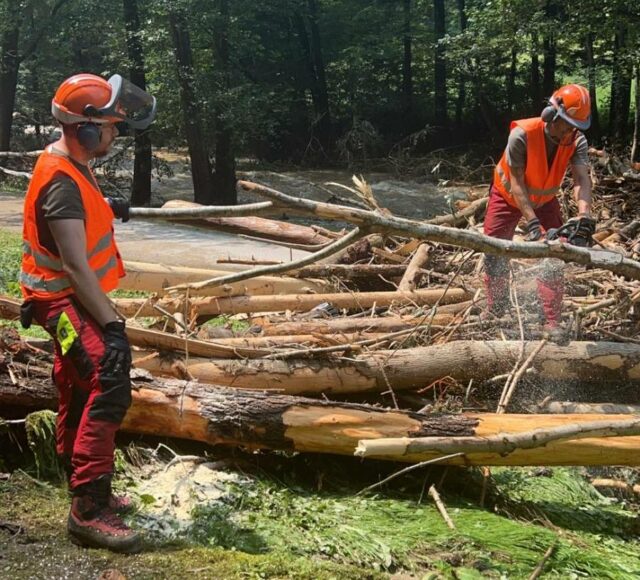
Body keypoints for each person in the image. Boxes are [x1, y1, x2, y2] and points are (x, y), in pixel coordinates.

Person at [19, 73, 156, 553]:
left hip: (65, 298)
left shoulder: (70, 164)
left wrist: (104, 203)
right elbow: (76, 267)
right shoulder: (62, 182)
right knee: (109, 378)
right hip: (61, 301)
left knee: (79, 382)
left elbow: (75, 219)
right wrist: (115, 327)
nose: (116, 134)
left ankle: (76, 475)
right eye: (112, 127)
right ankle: (87, 509)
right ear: (87, 130)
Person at [483, 83, 595, 340]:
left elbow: (581, 179)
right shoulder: (522, 135)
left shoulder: (576, 140)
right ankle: (497, 309)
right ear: (550, 115)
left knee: (555, 251)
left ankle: (551, 320)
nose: (569, 132)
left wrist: (584, 214)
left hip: (545, 201)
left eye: (575, 126)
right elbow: (517, 183)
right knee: (495, 250)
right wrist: (533, 225)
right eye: (566, 124)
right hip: (508, 196)